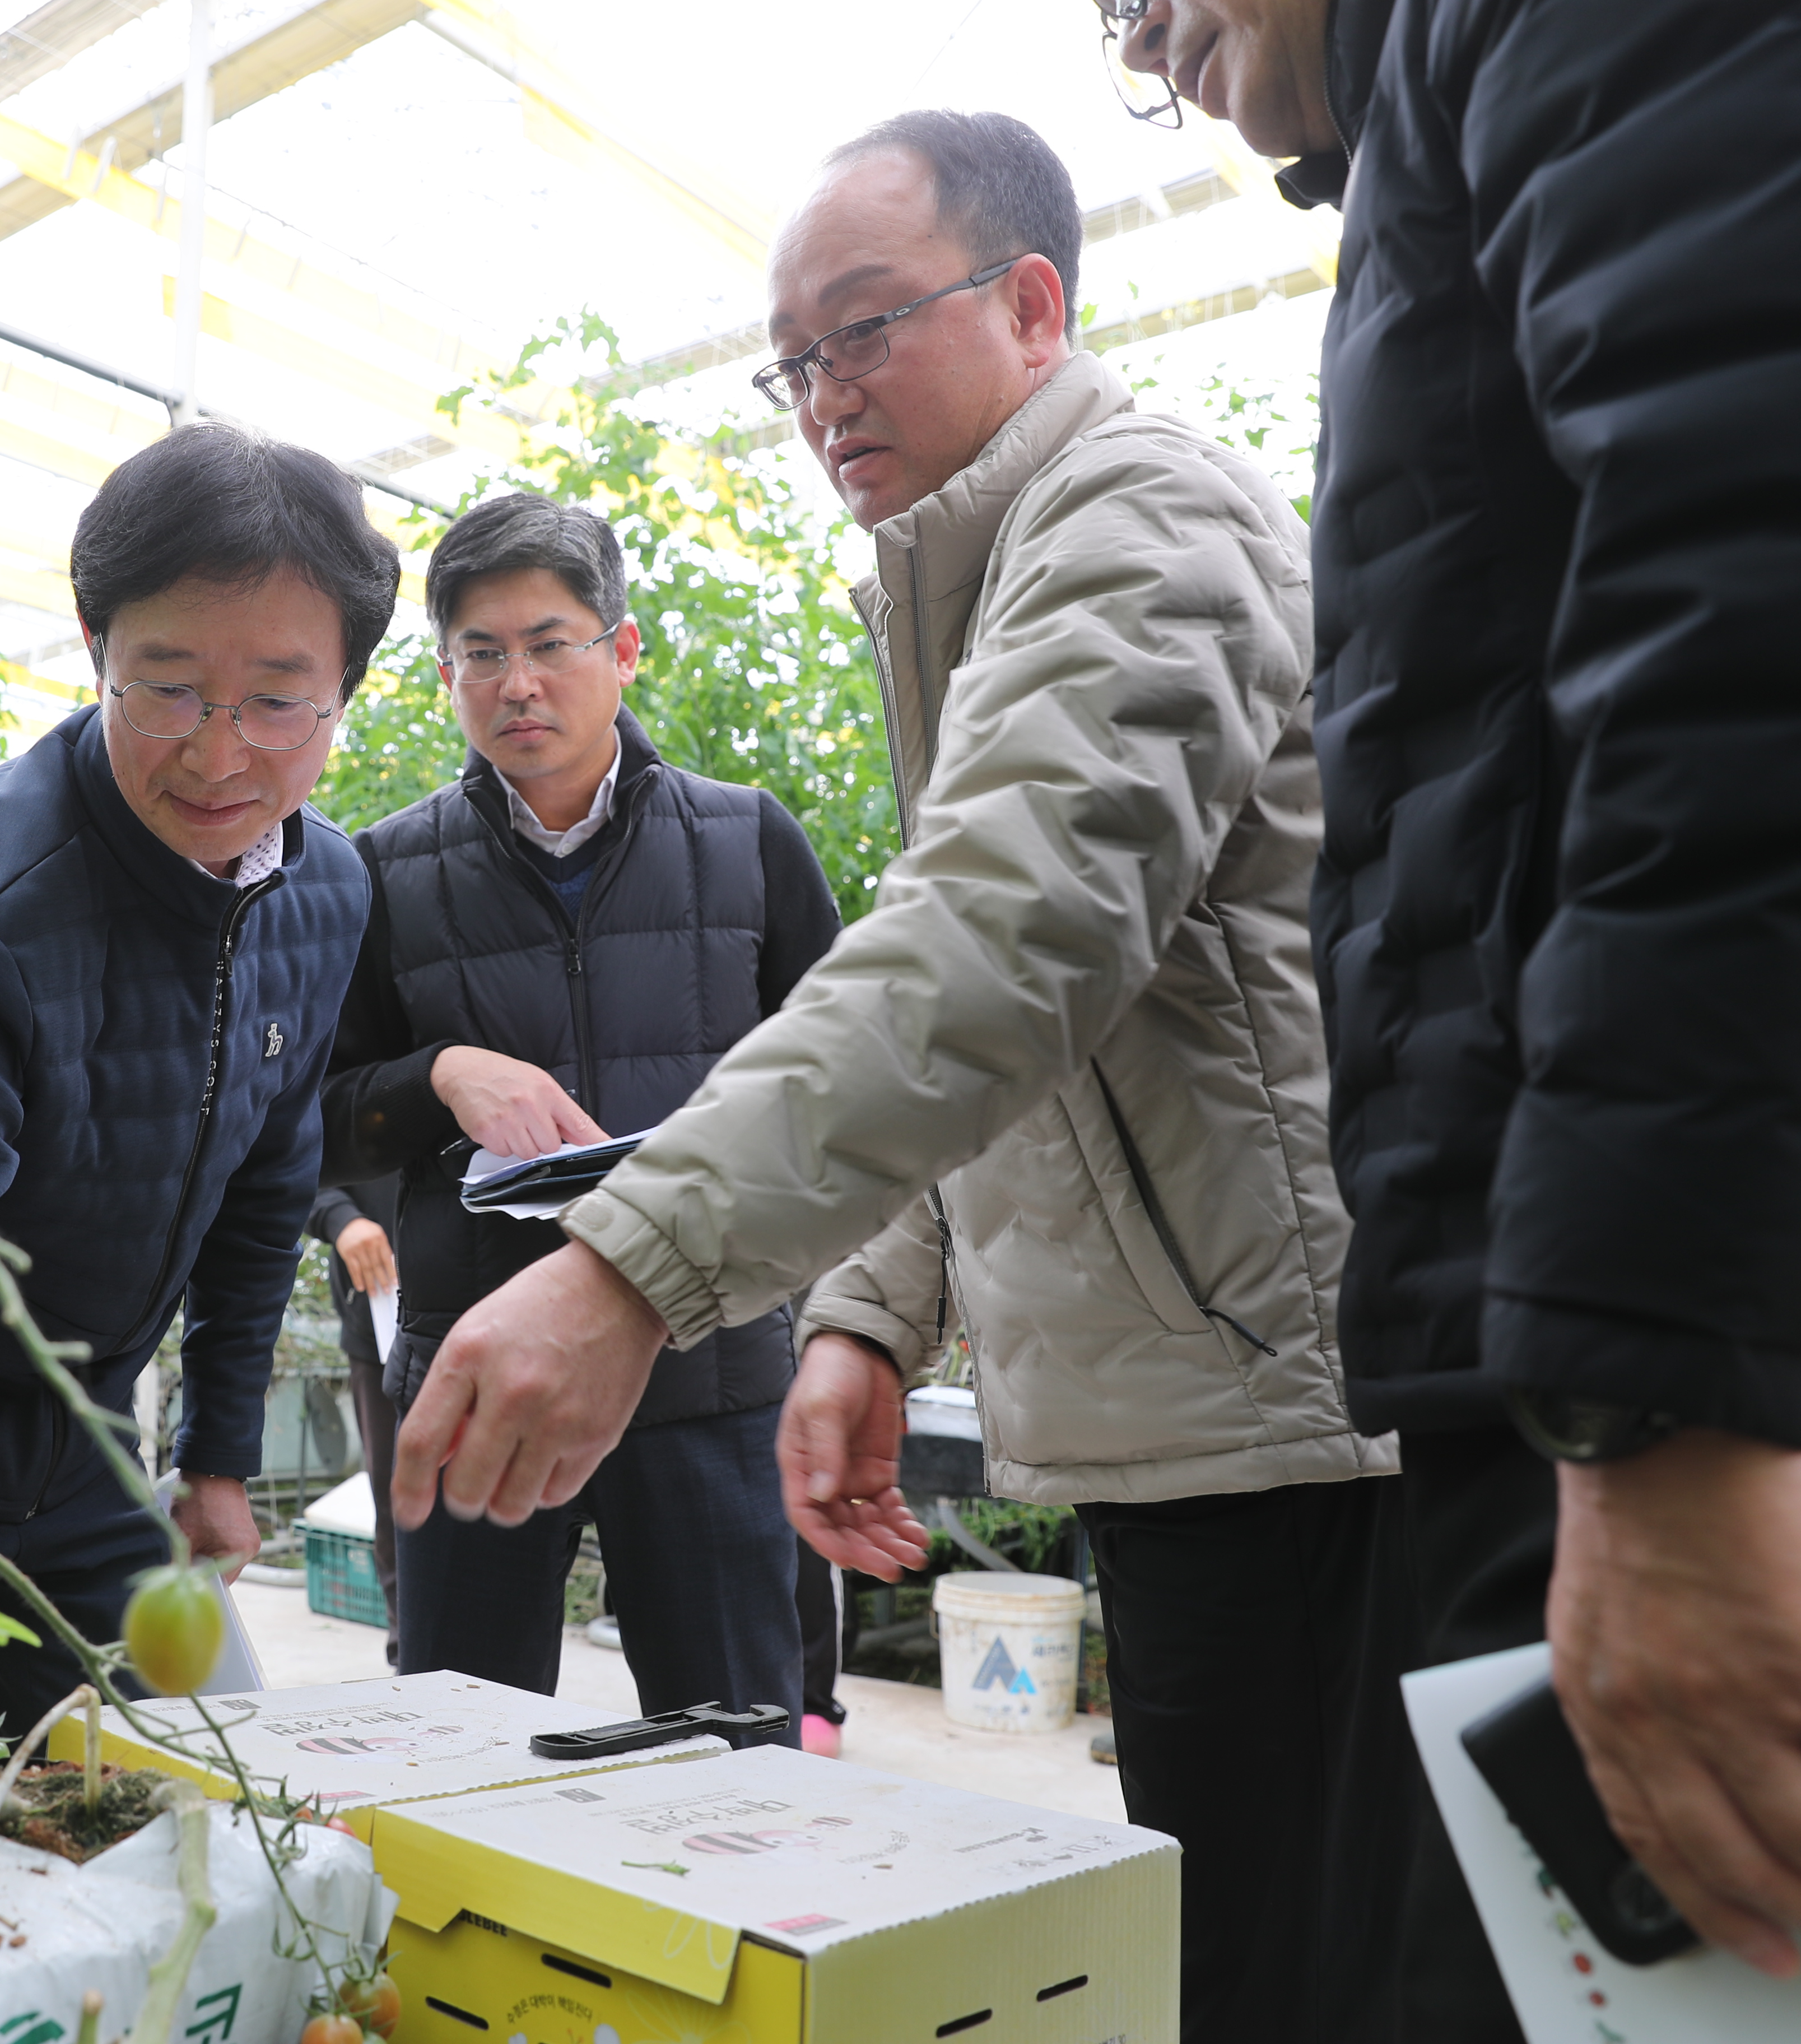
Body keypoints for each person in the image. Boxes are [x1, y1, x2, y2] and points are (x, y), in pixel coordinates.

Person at [393, 114, 1397, 2040]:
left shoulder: (1139, 519)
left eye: (861, 330)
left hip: (1289, 1416)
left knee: (1302, 1969)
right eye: (791, 359)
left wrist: (629, 1264)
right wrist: (871, 1308)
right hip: (1188, 1400)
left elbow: (1004, 939)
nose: (817, 396)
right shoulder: (980, 569)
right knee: (1241, 1934)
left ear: (1033, 306)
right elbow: (1038, 1015)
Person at [1123, 0, 1801, 2019]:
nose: (1133, 40)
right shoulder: (1434, 115)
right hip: (1607, 1364)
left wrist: (1667, 1393)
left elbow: (1784, 595)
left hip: (1738, 1381)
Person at [0, 421, 397, 1737]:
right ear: (94, 649)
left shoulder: (323, 888)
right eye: (165, 687)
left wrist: (216, 1453)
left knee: (215, 1790)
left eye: (279, 700)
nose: (220, 755)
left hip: (87, 1442)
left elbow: (268, 1173)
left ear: (347, 686)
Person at [320, 491, 837, 1733]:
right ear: (445, 673)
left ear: (623, 648)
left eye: (552, 642)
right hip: (478, 1372)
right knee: (461, 1747)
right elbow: (314, 1118)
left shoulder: (746, 844)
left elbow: (838, 1082)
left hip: (706, 1370)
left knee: (734, 1753)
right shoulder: (381, 875)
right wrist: (438, 1071)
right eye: (481, 654)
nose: (518, 684)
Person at [306, 1171, 403, 1660]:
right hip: (379, 1314)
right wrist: (341, 1218)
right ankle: (407, 1646)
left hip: (493, 1309)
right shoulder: (337, 1091)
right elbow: (295, 1155)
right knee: (396, 1493)